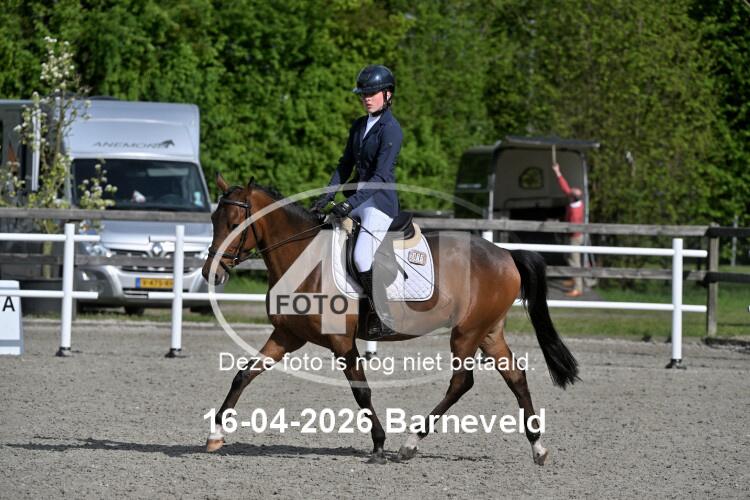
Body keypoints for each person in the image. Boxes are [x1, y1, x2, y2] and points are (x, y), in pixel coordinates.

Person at [311, 64, 403, 338]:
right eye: (363, 94)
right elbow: (345, 165)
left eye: (371, 93)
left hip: (379, 202)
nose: (366, 98)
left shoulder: (391, 130)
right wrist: (327, 196)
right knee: (323, 237)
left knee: (362, 255)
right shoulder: (359, 125)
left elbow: (380, 176)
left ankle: (382, 314)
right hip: (359, 198)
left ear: (387, 94)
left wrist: (350, 204)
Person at [552, 162, 585, 297]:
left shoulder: (576, 210)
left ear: (573, 196)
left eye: (573, 191)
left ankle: (578, 288)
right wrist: (557, 172)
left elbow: (573, 226)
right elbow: (565, 187)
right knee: (571, 259)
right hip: (573, 235)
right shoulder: (575, 202)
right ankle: (573, 279)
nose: (571, 190)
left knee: (575, 261)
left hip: (574, 236)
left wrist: (562, 227)